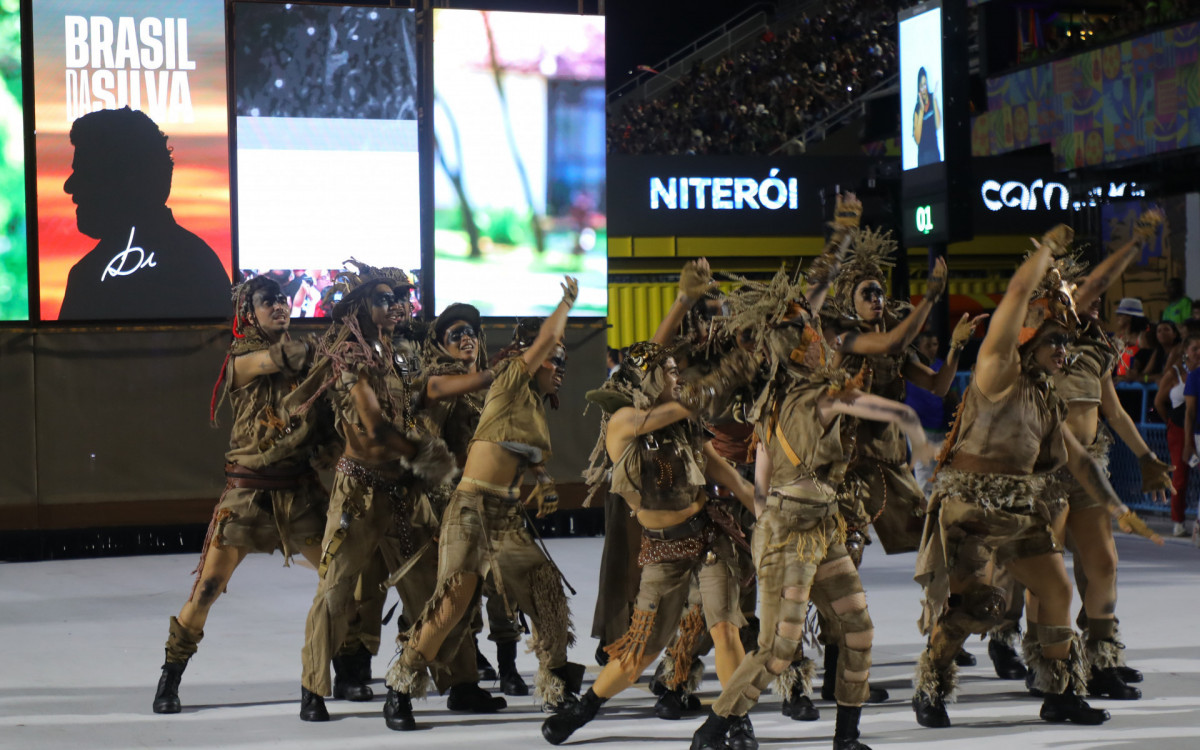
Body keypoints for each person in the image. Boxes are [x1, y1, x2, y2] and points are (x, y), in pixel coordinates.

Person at [911, 229, 1162, 731]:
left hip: (1020, 508)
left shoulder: (1046, 397)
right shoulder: (997, 367)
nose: (1065, 350)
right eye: (1056, 341)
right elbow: (1017, 293)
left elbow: (1082, 461)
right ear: (1029, 337)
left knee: (1057, 587)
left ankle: (1059, 692)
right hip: (970, 509)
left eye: (1067, 342)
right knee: (978, 606)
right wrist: (1045, 250)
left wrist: (1120, 509)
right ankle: (930, 685)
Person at [691, 263, 940, 750]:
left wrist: (768, 531)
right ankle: (712, 730)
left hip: (819, 528)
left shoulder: (773, 401)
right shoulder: (819, 396)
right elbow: (898, 410)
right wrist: (918, 436)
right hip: (791, 533)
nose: (820, 338)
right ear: (799, 348)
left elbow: (760, 489)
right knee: (778, 649)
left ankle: (846, 738)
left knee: (858, 631)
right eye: (810, 334)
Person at [382, 277, 585, 731]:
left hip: (506, 517)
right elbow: (543, 341)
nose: (559, 367)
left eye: (563, 361)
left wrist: (542, 479)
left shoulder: (530, 403)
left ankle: (556, 685)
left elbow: (517, 447)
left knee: (546, 592)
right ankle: (401, 687)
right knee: (451, 604)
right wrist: (566, 304)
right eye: (554, 359)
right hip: (470, 511)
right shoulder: (511, 377)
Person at [543, 341, 758, 746]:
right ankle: (584, 709)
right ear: (650, 378)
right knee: (640, 652)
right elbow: (673, 410)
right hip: (663, 549)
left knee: (725, 629)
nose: (678, 377)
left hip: (708, 538)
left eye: (677, 370)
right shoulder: (624, 420)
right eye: (670, 371)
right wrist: (725, 375)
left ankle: (736, 720)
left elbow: (722, 470)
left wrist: (760, 505)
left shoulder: (683, 421)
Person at [152, 276, 328, 714]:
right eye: (269, 302)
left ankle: (336, 669)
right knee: (208, 588)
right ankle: (171, 675)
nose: (280, 306)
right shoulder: (243, 358)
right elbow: (276, 358)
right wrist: (327, 350)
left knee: (339, 578)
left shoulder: (307, 358)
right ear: (249, 312)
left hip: (298, 493)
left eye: (284, 299)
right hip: (248, 495)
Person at [294, 261, 458, 722]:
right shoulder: (350, 356)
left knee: (427, 588)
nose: (396, 305)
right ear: (362, 306)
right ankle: (312, 688)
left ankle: (418, 683)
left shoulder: (398, 354)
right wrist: (423, 454)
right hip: (360, 493)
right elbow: (374, 426)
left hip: (401, 493)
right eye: (384, 299)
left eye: (398, 298)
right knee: (336, 589)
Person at [413, 302, 529, 697]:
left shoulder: (491, 387)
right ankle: (465, 660)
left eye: (470, 332)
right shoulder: (438, 385)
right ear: (440, 344)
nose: (466, 339)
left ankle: (509, 666)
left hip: (500, 499)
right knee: (461, 589)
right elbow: (430, 450)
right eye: (455, 334)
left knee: (504, 585)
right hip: (456, 502)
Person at [59, 107, 230, 320]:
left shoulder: (89, 279)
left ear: (123, 180)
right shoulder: (201, 264)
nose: (69, 186)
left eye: (85, 172)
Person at [1157, 336, 1200, 536]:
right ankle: (1178, 522)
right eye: (1195, 348)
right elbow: (1158, 402)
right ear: (1186, 351)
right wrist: (1171, 423)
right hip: (1179, 430)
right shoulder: (1174, 373)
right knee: (1180, 477)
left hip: (1196, 429)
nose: (1198, 352)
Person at [912, 66, 942, 166]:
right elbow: (917, 139)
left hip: (934, 152)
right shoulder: (917, 108)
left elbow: (938, 125)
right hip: (922, 156)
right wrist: (921, 110)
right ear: (918, 87)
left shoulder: (932, 98)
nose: (924, 88)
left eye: (925, 84)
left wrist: (934, 100)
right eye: (921, 85)